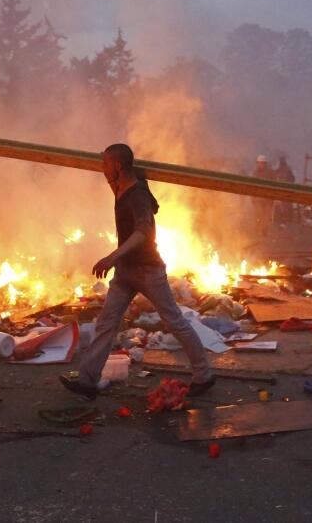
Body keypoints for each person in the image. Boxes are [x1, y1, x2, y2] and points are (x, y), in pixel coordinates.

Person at [61, 144, 214, 398]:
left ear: (118, 166)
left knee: (174, 321)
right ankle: (88, 381)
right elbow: (139, 197)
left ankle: (204, 374)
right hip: (125, 272)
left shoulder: (137, 195)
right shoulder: (121, 186)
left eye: (106, 164)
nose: (103, 169)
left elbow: (144, 231)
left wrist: (112, 256)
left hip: (147, 270)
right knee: (107, 323)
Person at [251, 154, 275, 237]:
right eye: (260, 163)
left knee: (266, 216)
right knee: (258, 214)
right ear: (258, 163)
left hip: (268, 199)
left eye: (263, 163)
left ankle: (264, 230)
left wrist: (273, 198)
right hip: (258, 198)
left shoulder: (271, 173)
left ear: (265, 163)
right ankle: (257, 229)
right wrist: (253, 198)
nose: (261, 164)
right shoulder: (255, 172)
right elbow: (252, 186)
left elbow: (274, 186)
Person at [274, 154, 295, 223]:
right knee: (280, 205)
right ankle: (280, 218)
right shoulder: (278, 170)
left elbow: (292, 179)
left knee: (286, 205)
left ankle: (287, 218)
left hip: (286, 191)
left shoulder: (288, 170)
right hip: (279, 191)